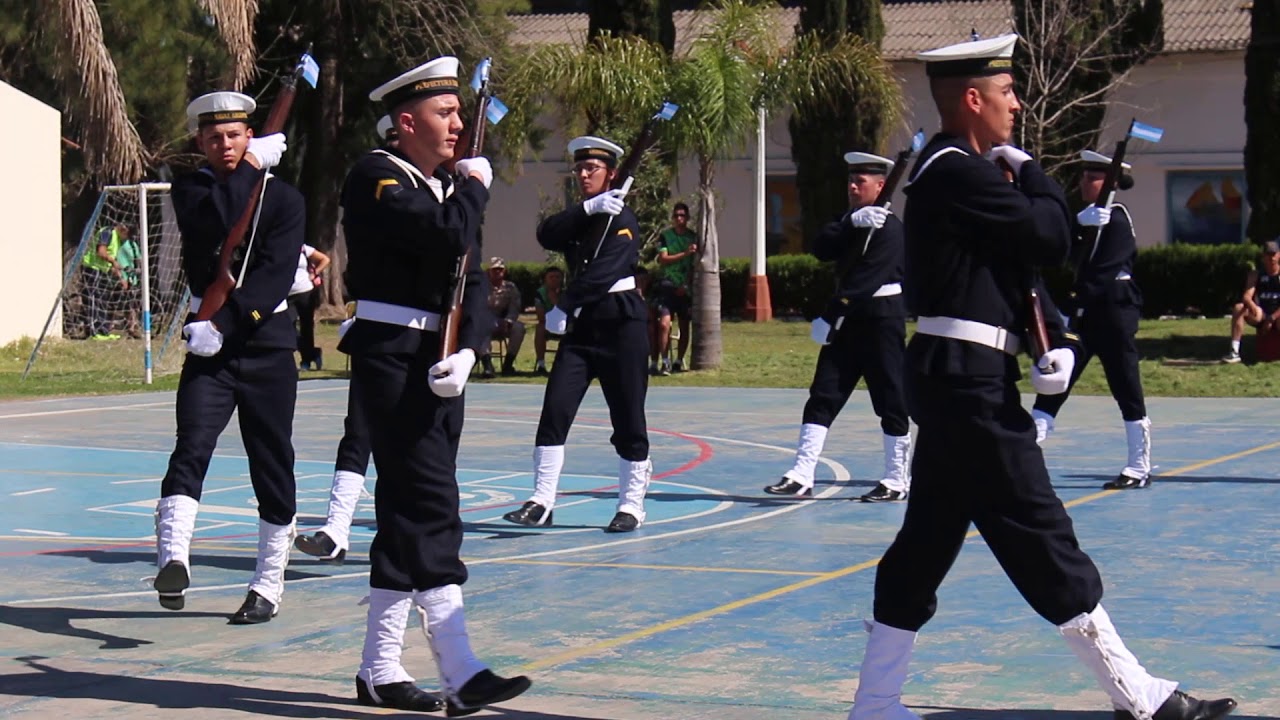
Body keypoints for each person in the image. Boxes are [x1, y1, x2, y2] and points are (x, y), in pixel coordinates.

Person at [846, 34, 1237, 720]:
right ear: (972, 100)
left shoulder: (957, 170)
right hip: (967, 386)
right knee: (1039, 529)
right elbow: (1052, 236)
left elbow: (1007, 272)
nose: (1018, 105)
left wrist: (1038, 340)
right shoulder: (957, 170)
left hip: (962, 373)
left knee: (926, 543)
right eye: (1006, 94)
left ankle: (875, 702)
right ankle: (1139, 696)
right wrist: (1028, 169)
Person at [338, 55, 529, 714]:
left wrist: (473, 349)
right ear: (406, 121)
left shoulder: (443, 184)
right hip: (391, 357)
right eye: (444, 114)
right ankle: (461, 668)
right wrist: (473, 189)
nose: (456, 125)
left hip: (440, 360)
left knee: (401, 515)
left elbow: (470, 279)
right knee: (431, 503)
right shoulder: (377, 176)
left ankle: (379, 669)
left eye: (457, 112)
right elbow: (446, 235)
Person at [152, 91, 303, 626]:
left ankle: (267, 583)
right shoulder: (192, 188)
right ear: (201, 142)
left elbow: (276, 275)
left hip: (264, 345)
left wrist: (228, 322)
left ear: (251, 136)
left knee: (271, 459)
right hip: (207, 347)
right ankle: (173, 556)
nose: (226, 145)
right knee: (191, 443)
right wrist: (252, 170)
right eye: (214, 137)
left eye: (236, 135)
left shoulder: (285, 200)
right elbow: (220, 217)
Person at [502, 136, 653, 533]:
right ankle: (541, 500)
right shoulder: (586, 215)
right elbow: (546, 234)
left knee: (628, 416)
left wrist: (564, 304)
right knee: (555, 410)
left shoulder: (623, 220)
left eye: (593, 170)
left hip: (621, 324)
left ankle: (631, 504)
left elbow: (604, 273)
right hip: (582, 330)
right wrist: (587, 208)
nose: (584, 175)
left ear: (612, 175)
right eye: (580, 169)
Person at [764, 151, 910, 503]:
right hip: (850, 322)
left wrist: (831, 314)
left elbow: (865, 279)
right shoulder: (852, 221)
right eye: (851, 180)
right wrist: (851, 223)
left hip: (881, 318)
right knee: (823, 395)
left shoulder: (890, 228)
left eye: (861, 181)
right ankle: (802, 473)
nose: (853, 186)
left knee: (890, 399)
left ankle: (896, 478)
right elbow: (821, 248)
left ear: (881, 185)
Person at [294, 121, 399, 566]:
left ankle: (405, 534)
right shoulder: (375, 192)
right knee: (358, 432)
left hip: (428, 339)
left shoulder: (446, 192)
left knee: (415, 443)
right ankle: (336, 530)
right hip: (377, 332)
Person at [1032, 150, 1151, 490]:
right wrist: (1076, 227)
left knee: (1125, 386)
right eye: (1083, 176)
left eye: (1092, 177)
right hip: (1086, 316)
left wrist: (1072, 303)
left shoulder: (1116, 218)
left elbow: (1105, 271)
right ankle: (1026, 449)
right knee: (1057, 380)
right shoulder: (1087, 218)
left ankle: (1138, 466)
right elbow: (1065, 257)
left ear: (1110, 182)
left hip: (1114, 313)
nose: (1084, 182)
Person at [652, 202, 697, 374]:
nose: (679, 219)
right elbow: (663, 258)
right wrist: (684, 254)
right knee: (664, 324)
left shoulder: (693, 237)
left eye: (682, 215)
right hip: (667, 285)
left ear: (687, 218)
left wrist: (686, 285)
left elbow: (693, 266)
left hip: (684, 288)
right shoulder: (665, 236)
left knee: (685, 325)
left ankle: (678, 360)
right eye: (676, 215)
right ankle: (665, 361)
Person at [1222, 240, 1280, 363]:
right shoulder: (1256, 274)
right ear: (1263, 256)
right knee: (1239, 308)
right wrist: (1252, 305)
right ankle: (1234, 351)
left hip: (1278, 314)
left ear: (1279, 255)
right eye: (1268, 254)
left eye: (1274, 254)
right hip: (1262, 312)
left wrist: (1272, 318)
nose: (1272, 258)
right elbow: (1247, 296)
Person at [478, 256, 525, 377]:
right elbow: (477, 308)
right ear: (488, 271)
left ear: (504, 271)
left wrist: (508, 321)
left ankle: (508, 365)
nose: (498, 272)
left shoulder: (510, 287)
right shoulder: (481, 287)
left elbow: (515, 307)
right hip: (486, 320)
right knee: (481, 327)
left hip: (503, 321)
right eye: (494, 269)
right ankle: (488, 366)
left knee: (519, 328)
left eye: (500, 269)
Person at [81, 223, 129, 340]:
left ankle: (103, 331)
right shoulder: (107, 232)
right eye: (127, 235)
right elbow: (101, 252)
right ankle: (94, 331)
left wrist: (122, 278)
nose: (126, 239)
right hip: (92, 268)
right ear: (123, 230)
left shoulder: (117, 240)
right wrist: (113, 262)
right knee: (94, 299)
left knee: (103, 300)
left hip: (102, 270)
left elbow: (112, 264)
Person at [290, 243, 330, 370]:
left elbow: (325, 259)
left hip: (305, 292)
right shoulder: (278, 244)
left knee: (306, 328)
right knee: (287, 327)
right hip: (287, 295)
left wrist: (314, 273)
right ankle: (313, 352)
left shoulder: (303, 248)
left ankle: (306, 361)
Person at [532, 265, 564, 374]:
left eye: (557, 277)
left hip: (566, 323)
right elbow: (541, 317)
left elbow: (569, 312)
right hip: (548, 324)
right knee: (540, 328)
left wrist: (556, 300)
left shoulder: (567, 292)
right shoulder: (540, 293)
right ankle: (541, 365)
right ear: (545, 279)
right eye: (551, 277)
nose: (554, 279)